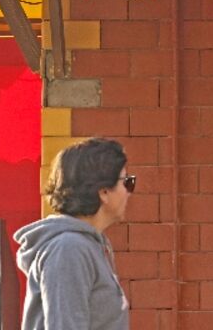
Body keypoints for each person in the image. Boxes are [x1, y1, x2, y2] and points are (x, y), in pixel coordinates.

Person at [15, 138, 134, 330]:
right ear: (103, 192)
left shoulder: (89, 245)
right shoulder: (69, 249)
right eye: (127, 181)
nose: (129, 192)